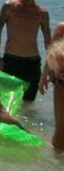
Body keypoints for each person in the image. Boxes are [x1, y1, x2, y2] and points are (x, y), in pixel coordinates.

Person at [0, 0, 51, 102]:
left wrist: (47, 71)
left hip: (32, 64)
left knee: (27, 103)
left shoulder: (42, 13)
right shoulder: (9, 7)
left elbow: (49, 44)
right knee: (5, 99)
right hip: (10, 60)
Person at [39, 22, 64, 151]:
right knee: (61, 127)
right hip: (60, 83)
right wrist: (44, 76)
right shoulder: (62, 27)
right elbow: (52, 55)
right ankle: (56, 158)